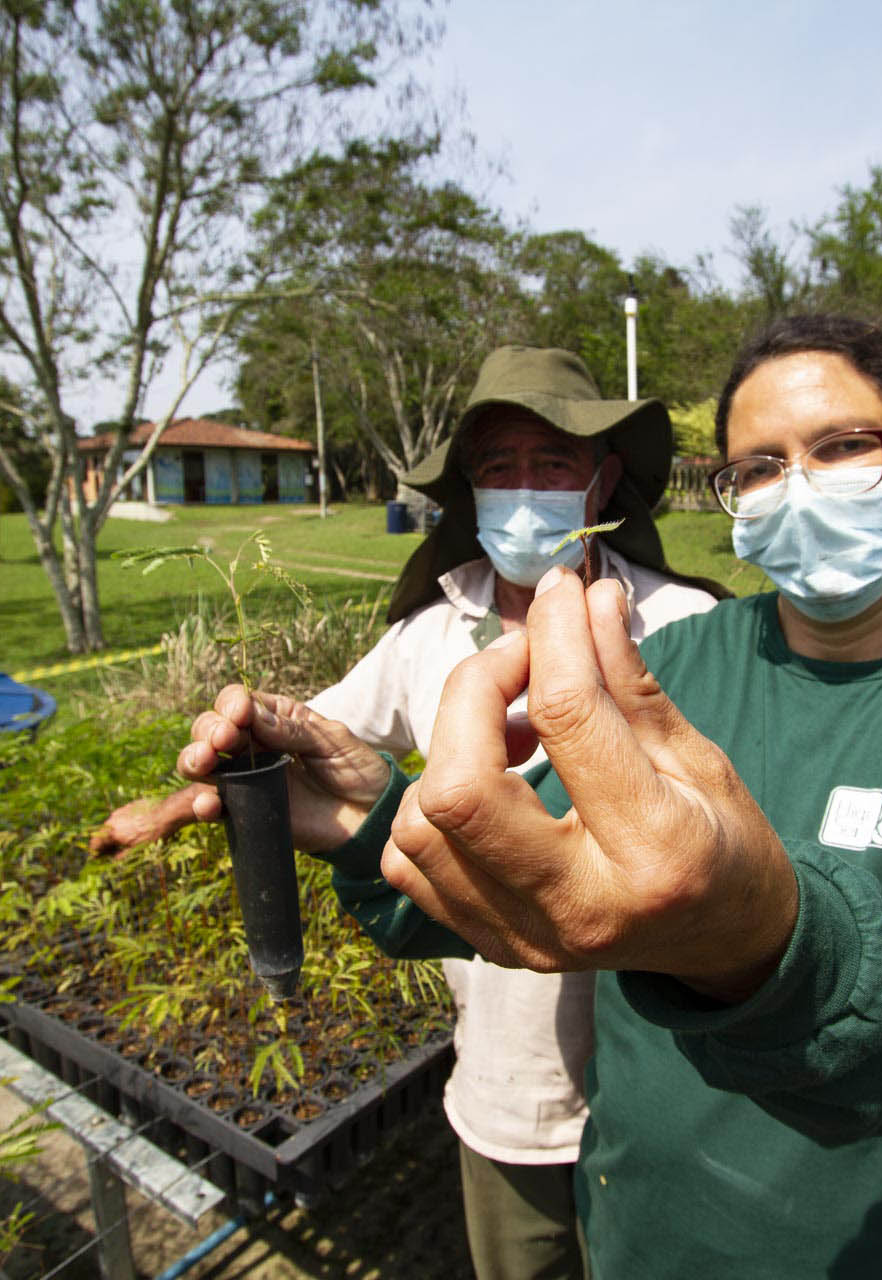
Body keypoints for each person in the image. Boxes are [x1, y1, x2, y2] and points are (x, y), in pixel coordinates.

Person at [178, 316, 882, 1277]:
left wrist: (763, 941)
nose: (798, 486)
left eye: (844, 447)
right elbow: (534, 873)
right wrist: (366, 819)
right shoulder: (677, 660)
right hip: (636, 1229)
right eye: (759, 467)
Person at [94, 346, 722, 1280]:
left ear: (603, 482)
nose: (524, 491)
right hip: (510, 1082)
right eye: (499, 467)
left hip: (671, 1084)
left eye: (552, 464)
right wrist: (186, 795)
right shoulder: (434, 630)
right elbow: (310, 741)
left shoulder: (686, 628)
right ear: (470, 491)